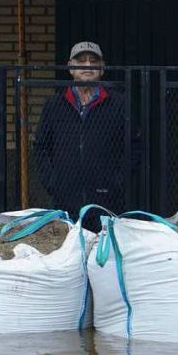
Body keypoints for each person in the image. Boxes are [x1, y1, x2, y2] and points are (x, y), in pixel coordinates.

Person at [33, 41, 129, 228]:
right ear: (70, 67)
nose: (87, 66)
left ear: (102, 68)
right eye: (81, 61)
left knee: (103, 251)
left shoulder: (118, 104)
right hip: (65, 198)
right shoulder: (54, 105)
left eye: (93, 61)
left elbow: (134, 146)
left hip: (106, 198)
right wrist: (53, 182)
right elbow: (41, 146)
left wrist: (117, 180)